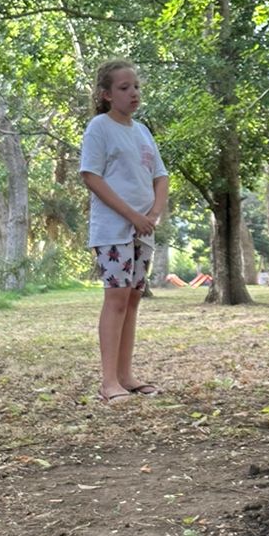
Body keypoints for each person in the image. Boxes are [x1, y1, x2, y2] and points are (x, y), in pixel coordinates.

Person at [80, 61, 168, 405]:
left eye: (136, 87)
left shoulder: (142, 131)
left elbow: (160, 175)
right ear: (106, 95)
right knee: (116, 299)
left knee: (132, 299)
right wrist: (132, 214)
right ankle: (108, 382)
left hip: (143, 230)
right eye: (124, 88)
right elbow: (91, 176)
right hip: (113, 229)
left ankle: (126, 376)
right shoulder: (99, 128)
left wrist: (153, 214)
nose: (133, 93)